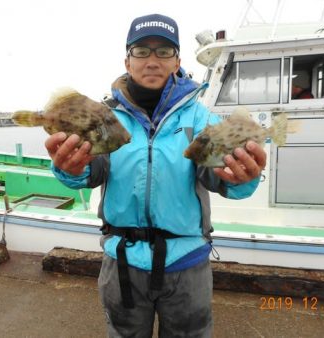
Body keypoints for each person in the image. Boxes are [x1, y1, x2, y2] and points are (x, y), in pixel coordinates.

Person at [45, 13, 266, 338]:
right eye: (141, 51)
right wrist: (71, 169)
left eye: (163, 51)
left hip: (187, 264)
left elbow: (215, 175)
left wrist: (242, 178)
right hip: (122, 263)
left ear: (177, 60)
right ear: (127, 59)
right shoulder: (106, 117)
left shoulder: (199, 118)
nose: (152, 60)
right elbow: (94, 169)